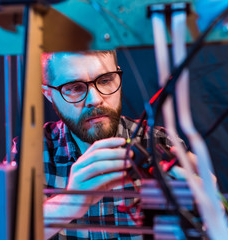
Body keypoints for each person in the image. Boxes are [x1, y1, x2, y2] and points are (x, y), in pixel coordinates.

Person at [39, 50, 185, 239]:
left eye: (105, 80)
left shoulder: (162, 145)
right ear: (49, 94)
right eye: (75, 88)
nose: (95, 100)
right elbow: (2, 232)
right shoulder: (33, 153)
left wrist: (212, 210)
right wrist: (69, 203)